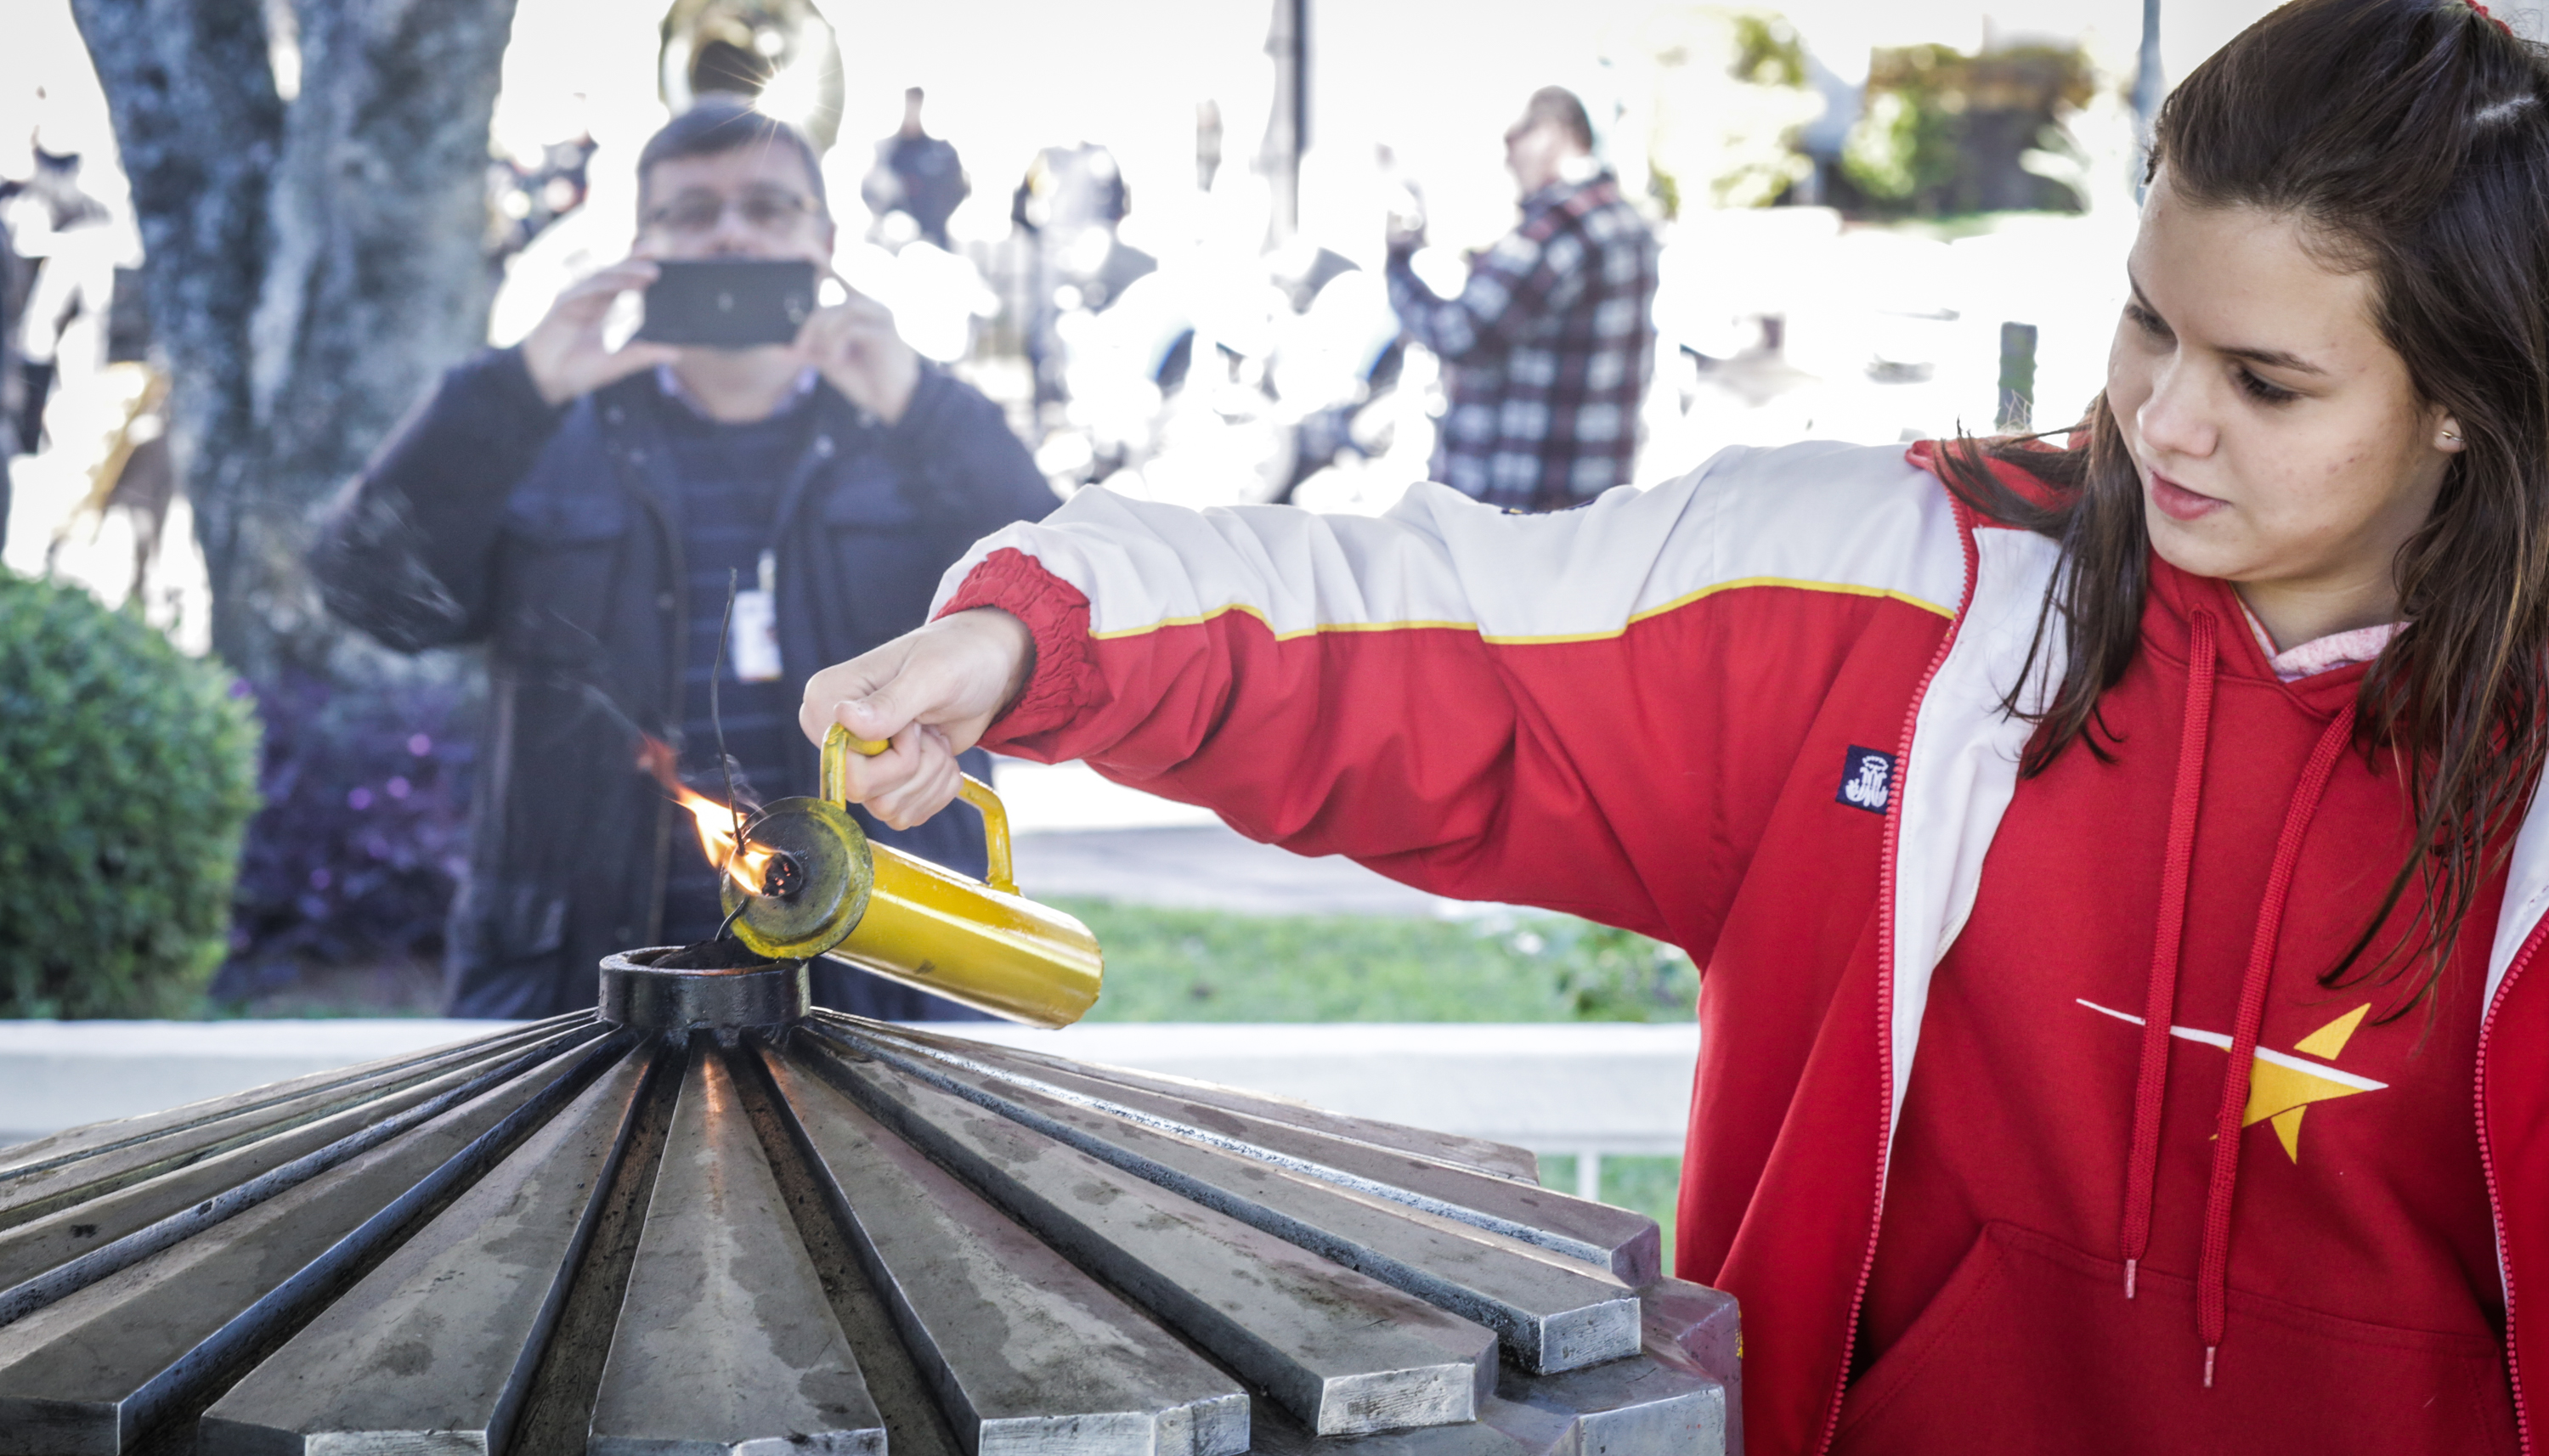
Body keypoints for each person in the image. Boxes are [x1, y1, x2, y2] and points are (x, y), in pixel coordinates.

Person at [794, 3, 2549, 1451]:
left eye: (2266, 381)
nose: (2165, 421)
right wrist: (1033, 639)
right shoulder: (1889, 584)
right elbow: (1432, 625)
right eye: (2148, 325)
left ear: (2466, 399)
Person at [314, 97, 1054, 1021]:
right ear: (641, 247)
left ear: (824, 239)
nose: (732, 234)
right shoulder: (536, 430)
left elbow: (1068, 626)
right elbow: (370, 593)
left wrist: (928, 408)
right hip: (583, 986)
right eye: (692, 212)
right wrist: (512, 392)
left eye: (768, 207)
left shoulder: (918, 432)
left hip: (879, 978)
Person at [1384, 86, 1658, 512]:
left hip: (1520, 506)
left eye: (1513, 139)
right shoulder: (1623, 219)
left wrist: (1397, 263)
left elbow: (1460, 334)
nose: (1507, 157)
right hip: (1588, 500)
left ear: (1550, 133)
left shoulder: (1561, 223)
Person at [860, 87, 968, 251]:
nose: (911, 112)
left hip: (934, 240)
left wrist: (935, 220)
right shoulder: (886, 154)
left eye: (916, 105)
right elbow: (869, 192)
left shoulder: (943, 153)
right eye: (908, 105)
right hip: (892, 243)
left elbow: (959, 189)